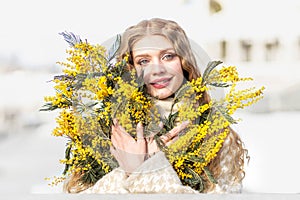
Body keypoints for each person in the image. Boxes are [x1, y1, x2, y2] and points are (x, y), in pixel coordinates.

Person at [63, 18, 247, 194]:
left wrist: (142, 170)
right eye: (143, 61)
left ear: (184, 62)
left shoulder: (217, 135)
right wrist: (128, 169)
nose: (158, 69)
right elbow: (78, 193)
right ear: (131, 69)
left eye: (168, 56)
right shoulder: (108, 129)